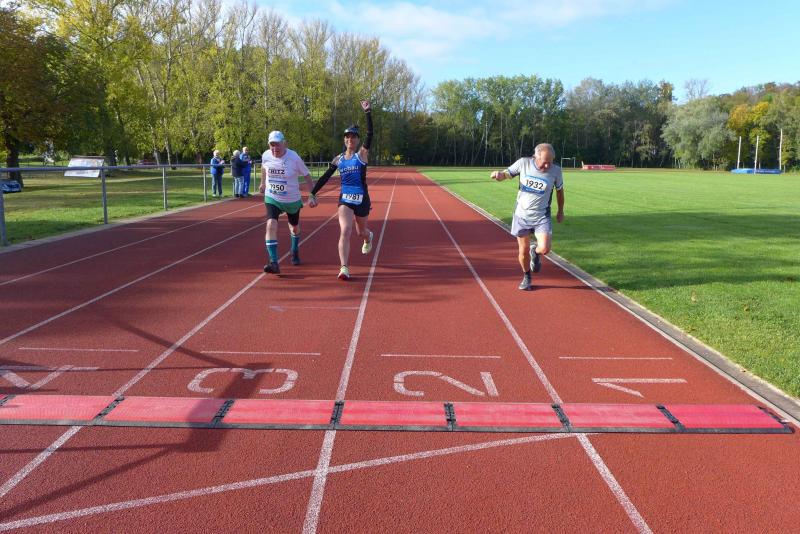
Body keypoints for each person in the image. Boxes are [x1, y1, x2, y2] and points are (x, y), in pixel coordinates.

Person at [309, 100, 374, 280]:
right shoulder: (338, 159)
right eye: (347, 137)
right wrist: (313, 193)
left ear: (357, 140)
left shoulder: (361, 155)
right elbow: (325, 177)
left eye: (353, 137)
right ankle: (344, 267)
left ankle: (368, 237)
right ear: (344, 140)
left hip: (362, 199)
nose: (350, 140)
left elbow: (370, 134)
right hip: (345, 199)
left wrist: (368, 112)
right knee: (345, 230)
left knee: (361, 232)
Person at [490, 143, 565, 290]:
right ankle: (526, 276)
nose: (547, 166)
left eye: (550, 162)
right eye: (544, 162)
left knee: (544, 248)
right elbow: (506, 174)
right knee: (522, 251)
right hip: (522, 215)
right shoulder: (523, 163)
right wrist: (498, 175)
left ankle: (535, 251)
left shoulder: (556, 171)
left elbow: (560, 192)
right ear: (535, 156)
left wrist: (560, 211)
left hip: (542, 216)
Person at [259, 130, 316, 274]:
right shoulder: (266, 155)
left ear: (284, 143)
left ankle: (294, 249)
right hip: (272, 197)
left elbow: (307, 175)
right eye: (272, 145)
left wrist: (312, 195)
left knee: (294, 228)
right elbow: (264, 168)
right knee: (271, 225)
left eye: (277, 144)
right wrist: (263, 183)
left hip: (291, 199)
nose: (274, 148)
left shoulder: (294, 157)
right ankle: (274, 262)